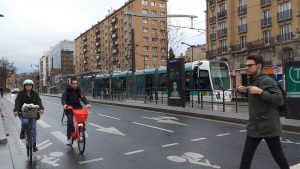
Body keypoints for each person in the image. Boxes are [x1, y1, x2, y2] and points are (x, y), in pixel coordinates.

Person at [238, 55, 289, 169]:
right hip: (254, 127)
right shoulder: (252, 81)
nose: (247, 68)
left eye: (250, 65)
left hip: (269, 127)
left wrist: (260, 91)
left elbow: (279, 99)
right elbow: (254, 98)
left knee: (279, 157)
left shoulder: (267, 80)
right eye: (246, 65)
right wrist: (242, 91)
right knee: (246, 158)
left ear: (259, 66)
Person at [13, 79, 44, 152]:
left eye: (30, 85)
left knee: (33, 128)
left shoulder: (35, 93)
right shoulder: (20, 93)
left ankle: (34, 145)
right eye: (27, 85)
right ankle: (23, 131)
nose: (28, 87)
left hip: (33, 113)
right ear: (24, 86)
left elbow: (39, 101)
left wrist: (41, 109)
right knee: (25, 122)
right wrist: (16, 110)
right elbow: (17, 102)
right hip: (23, 113)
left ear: (32, 86)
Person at [61, 77, 91, 144]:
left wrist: (88, 104)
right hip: (69, 108)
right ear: (70, 84)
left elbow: (83, 98)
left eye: (76, 84)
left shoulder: (78, 90)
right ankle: (68, 138)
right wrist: (65, 105)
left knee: (81, 118)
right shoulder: (67, 90)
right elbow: (63, 99)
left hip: (77, 107)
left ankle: (83, 130)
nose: (75, 85)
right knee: (70, 121)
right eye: (73, 84)